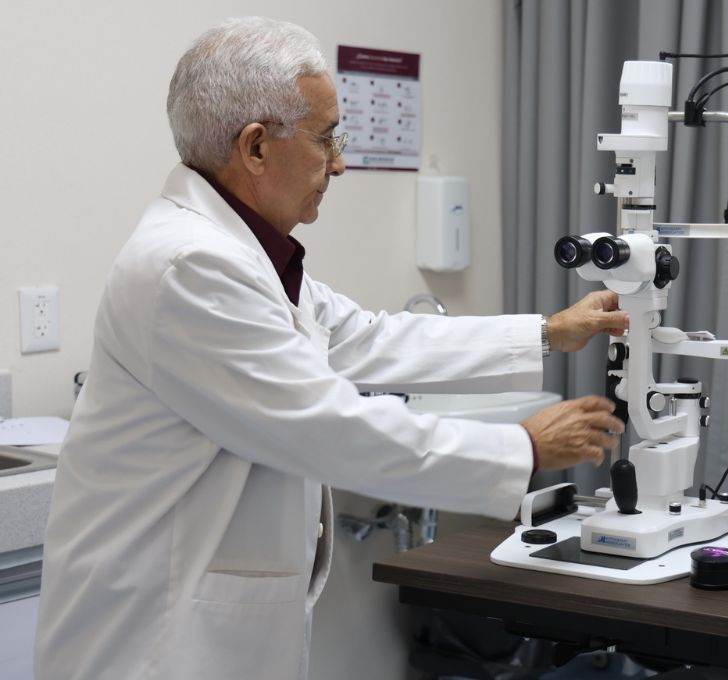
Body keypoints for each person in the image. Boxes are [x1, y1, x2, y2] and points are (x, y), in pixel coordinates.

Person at [34, 16, 626, 680]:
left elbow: (367, 337)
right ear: (256, 147)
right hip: (150, 647)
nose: (339, 162)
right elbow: (326, 426)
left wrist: (546, 332)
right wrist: (521, 448)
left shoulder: (242, 256)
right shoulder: (188, 266)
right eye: (326, 139)